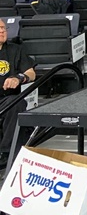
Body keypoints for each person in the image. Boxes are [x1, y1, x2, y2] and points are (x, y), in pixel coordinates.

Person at [0, 18, 35, 166]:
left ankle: (7, 153)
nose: (2, 31)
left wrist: (19, 78)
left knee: (17, 103)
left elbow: (31, 73)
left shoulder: (16, 50)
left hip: (6, 99)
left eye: (3, 28)